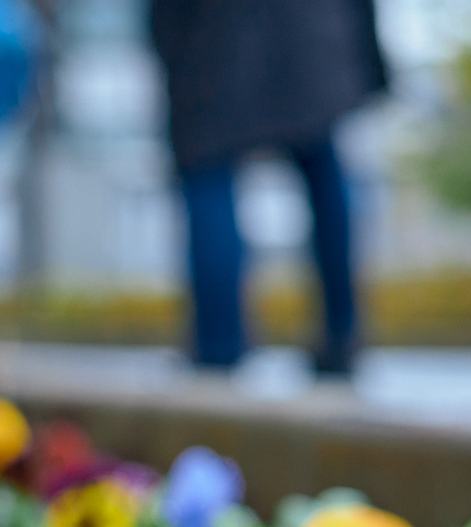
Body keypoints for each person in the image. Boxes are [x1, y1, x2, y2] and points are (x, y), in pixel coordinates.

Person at [149, 0, 387, 378]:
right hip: (311, 33)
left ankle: (219, 344)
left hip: (209, 42)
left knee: (208, 176)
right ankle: (343, 333)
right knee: (323, 168)